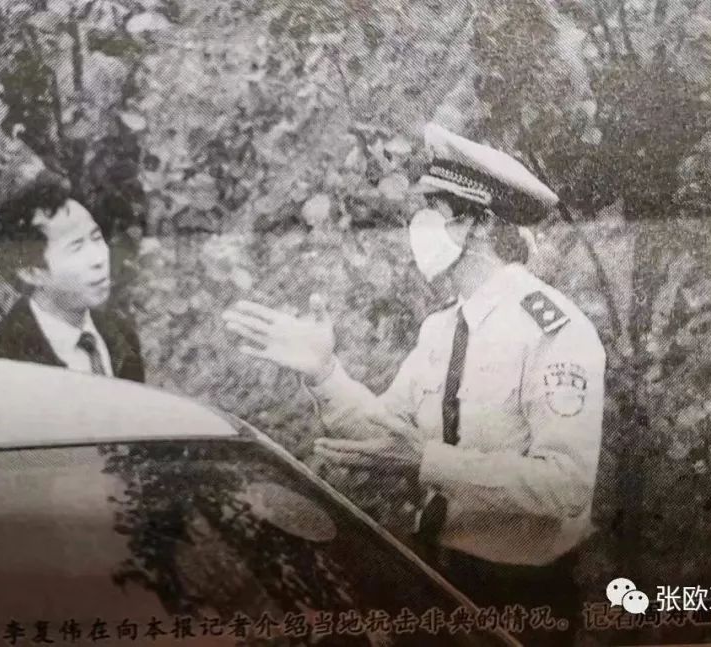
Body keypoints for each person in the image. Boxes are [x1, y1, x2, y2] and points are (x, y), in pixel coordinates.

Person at [222, 123, 605, 645]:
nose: (416, 225)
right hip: (433, 573)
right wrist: (323, 372)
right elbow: (385, 435)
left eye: (432, 209)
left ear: (477, 223)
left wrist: (428, 461)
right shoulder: (441, 329)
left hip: (522, 593)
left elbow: (566, 486)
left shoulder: (552, 329)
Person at [0, 170, 145, 383]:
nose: (98, 259)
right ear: (31, 272)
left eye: (96, 237)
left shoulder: (121, 335)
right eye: (76, 248)